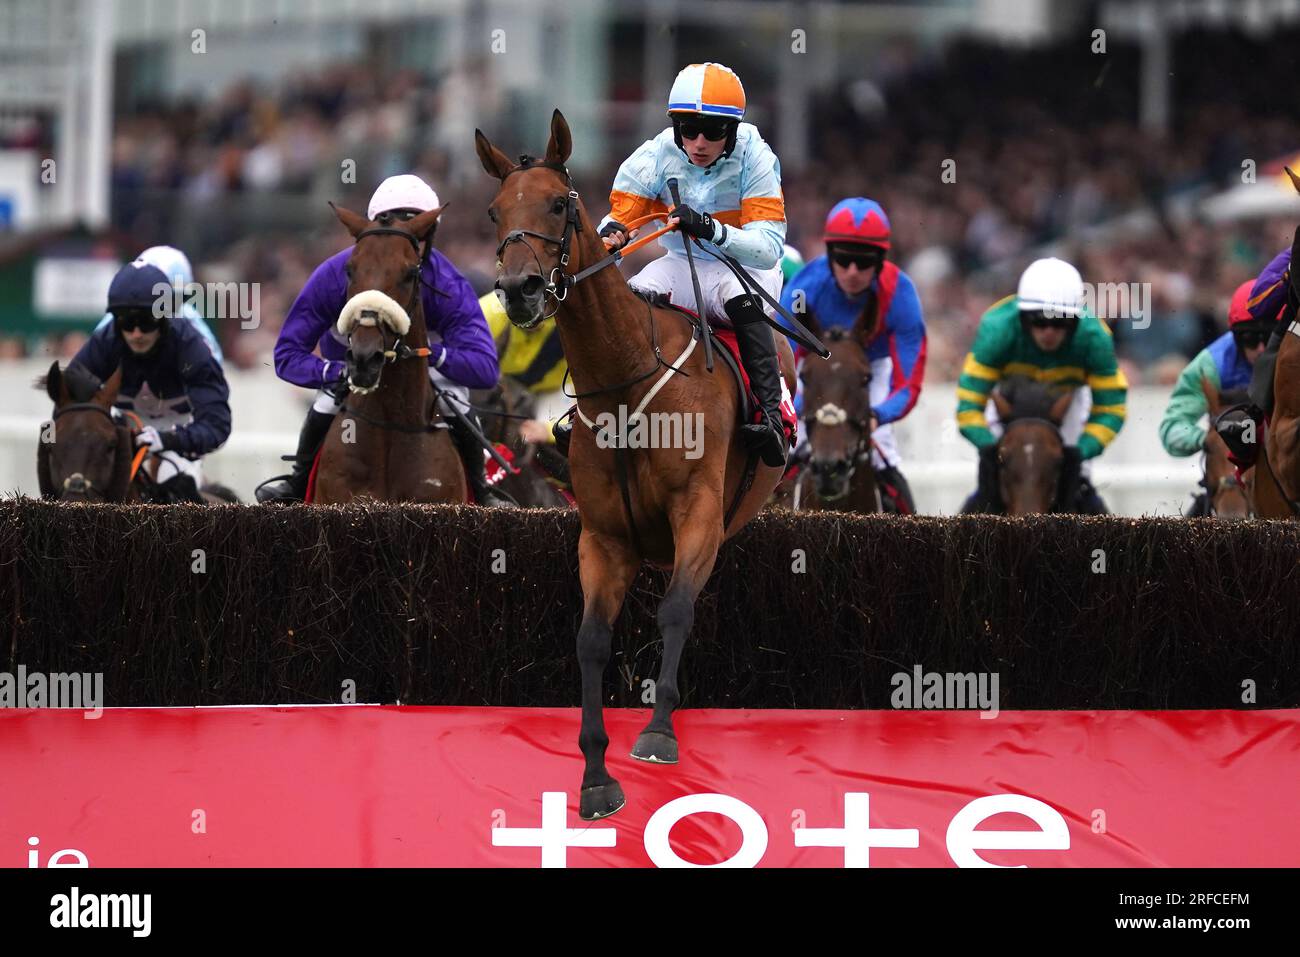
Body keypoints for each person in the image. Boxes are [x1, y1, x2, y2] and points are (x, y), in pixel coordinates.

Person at [574, 61, 791, 468]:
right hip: (679, 263)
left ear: (734, 130)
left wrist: (710, 228)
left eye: (713, 130)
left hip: (743, 270)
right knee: (624, 302)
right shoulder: (655, 154)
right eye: (688, 128)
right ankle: (595, 410)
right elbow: (620, 217)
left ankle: (771, 417)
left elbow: (768, 249)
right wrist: (613, 235)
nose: (699, 142)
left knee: (741, 300)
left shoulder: (757, 156)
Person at [255, 174, 508, 505]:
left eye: (414, 231)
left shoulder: (446, 283)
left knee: (454, 399)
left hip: (423, 377)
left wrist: (429, 354)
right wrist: (335, 372)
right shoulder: (333, 276)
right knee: (327, 400)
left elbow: (485, 369)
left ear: (428, 236)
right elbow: (287, 355)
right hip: (352, 373)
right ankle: (298, 483)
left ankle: (482, 491)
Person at [778, 197, 926, 511]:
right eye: (844, 260)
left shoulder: (902, 296)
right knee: (784, 447)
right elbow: (778, 362)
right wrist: (802, 407)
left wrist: (877, 416)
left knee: (882, 455)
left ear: (882, 259)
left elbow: (907, 385)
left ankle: (905, 524)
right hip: (812, 371)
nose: (853, 272)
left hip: (869, 369)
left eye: (864, 262)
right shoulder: (804, 288)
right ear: (829, 255)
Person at [956, 257, 1127, 514]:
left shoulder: (1095, 338)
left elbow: (1111, 409)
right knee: (990, 483)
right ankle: (958, 550)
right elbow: (969, 403)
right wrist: (988, 446)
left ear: (1075, 322)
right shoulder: (997, 330)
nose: (1049, 332)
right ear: (1023, 318)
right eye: (1039, 321)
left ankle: (1108, 552)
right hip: (1008, 402)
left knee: (1077, 482)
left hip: (1068, 404)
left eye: (1060, 322)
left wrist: (1081, 450)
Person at [72, 261, 232, 502]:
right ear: (116, 321)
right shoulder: (105, 340)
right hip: (123, 427)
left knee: (176, 493)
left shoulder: (191, 346)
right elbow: (70, 395)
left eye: (146, 321)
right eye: (127, 322)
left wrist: (169, 439)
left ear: (165, 318)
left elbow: (217, 426)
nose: (136, 333)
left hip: (179, 429)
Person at [1160, 279, 1270, 515]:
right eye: (1251, 338)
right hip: (1226, 471)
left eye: (1268, 337)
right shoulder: (1209, 365)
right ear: (1236, 336)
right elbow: (1172, 429)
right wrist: (1213, 441)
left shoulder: (1292, 355)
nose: (1261, 348)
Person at [1214, 234, 1296, 465]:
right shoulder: (1294, 252)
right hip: (1296, 333)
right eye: (1251, 339)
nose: (1257, 346)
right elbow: (1258, 303)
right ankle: (1248, 450)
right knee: (1272, 361)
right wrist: (1291, 271)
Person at [93, 245, 223, 361]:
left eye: (179, 298)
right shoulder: (119, 316)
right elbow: (94, 360)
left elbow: (213, 361)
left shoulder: (187, 315)